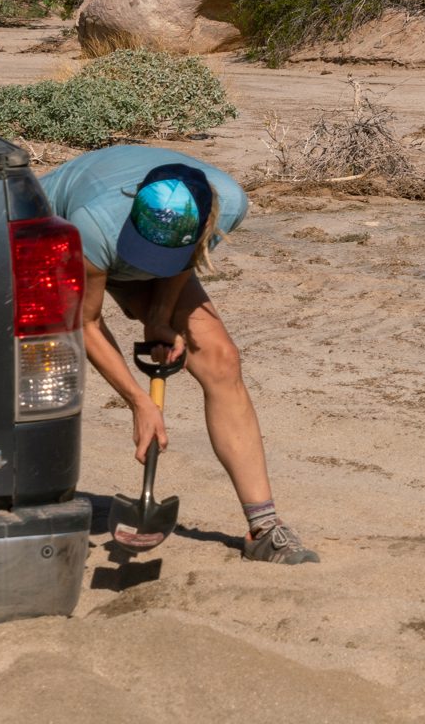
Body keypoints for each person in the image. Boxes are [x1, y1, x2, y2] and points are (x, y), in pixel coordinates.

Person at [41, 144, 319, 565]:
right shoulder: (92, 224)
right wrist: (138, 403)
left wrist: (159, 318)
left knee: (221, 358)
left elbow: (185, 259)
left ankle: (263, 527)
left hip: (141, 247)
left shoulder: (228, 206)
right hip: (61, 240)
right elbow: (87, 323)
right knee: (43, 363)